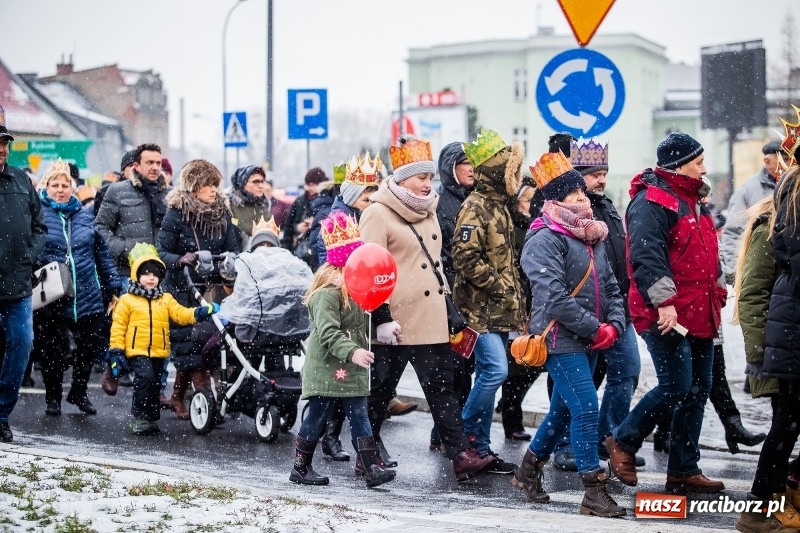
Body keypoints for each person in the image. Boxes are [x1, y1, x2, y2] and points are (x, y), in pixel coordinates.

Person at [360, 135, 495, 482]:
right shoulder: (377, 212)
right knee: (380, 391)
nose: (427, 183)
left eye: (430, 176)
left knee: (442, 388)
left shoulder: (429, 209)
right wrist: (381, 318)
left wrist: (448, 308)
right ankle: (366, 453)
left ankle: (460, 455)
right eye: (421, 177)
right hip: (395, 319)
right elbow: (369, 269)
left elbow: (434, 263)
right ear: (402, 177)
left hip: (431, 315)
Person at [605, 132, 727, 494]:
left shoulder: (694, 200)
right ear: (678, 165)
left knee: (698, 388)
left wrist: (718, 290)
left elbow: (708, 252)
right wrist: (664, 303)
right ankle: (623, 441)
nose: (705, 168)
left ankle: (683, 468)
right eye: (698, 162)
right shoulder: (652, 201)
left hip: (700, 311)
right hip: (666, 313)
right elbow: (646, 257)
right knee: (676, 386)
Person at [511, 151, 626, 518]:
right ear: (555, 201)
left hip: (591, 337)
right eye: (574, 194)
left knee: (563, 410)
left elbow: (611, 286)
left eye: (582, 192)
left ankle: (527, 470)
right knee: (586, 408)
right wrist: (596, 327)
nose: (582, 198)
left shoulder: (592, 234)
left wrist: (616, 325)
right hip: (561, 339)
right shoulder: (543, 238)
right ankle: (593, 491)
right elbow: (554, 298)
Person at [548, 140, 644, 472]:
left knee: (627, 371)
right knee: (574, 388)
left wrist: (619, 312)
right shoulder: (561, 220)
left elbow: (614, 264)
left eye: (604, 173)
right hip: (577, 317)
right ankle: (564, 447)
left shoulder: (607, 208)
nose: (601, 180)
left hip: (615, 310)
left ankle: (611, 438)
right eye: (594, 175)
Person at [290, 211, 395, 489]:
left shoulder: (356, 287)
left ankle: (371, 466)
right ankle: (300, 467)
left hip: (352, 365)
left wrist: (381, 331)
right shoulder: (327, 292)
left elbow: (358, 326)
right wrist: (353, 352)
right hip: (329, 366)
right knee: (318, 414)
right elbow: (329, 333)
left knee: (360, 414)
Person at [736, 129, 800, 533]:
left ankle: (783, 490)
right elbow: (753, 296)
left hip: (788, 340)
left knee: (788, 427)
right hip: (786, 345)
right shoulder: (776, 219)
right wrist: (761, 360)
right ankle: (761, 507)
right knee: (785, 427)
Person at [452, 129, 525, 473]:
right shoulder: (475, 206)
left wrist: (516, 303)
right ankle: (461, 432)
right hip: (477, 312)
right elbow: (464, 257)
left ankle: (479, 449)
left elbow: (509, 260)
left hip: (498, 312)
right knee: (495, 370)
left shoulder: (501, 206)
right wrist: (498, 287)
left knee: (490, 373)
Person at [32, 160, 122, 416]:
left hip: (87, 292)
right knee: (53, 350)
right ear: (46, 187)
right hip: (53, 294)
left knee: (90, 344)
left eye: (65, 185)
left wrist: (112, 284)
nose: (60, 190)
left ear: (72, 188)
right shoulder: (38, 215)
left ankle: (79, 392)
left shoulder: (84, 216)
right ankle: (53, 398)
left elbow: (102, 254)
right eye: (55, 185)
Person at [157, 160, 239, 419]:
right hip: (182, 286)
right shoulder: (176, 213)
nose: (213, 190)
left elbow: (233, 247)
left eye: (214, 184)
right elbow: (163, 251)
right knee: (188, 344)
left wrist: (230, 260)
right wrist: (180, 259)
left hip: (215, 287)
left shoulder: (223, 214)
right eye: (206, 185)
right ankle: (201, 397)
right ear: (193, 188)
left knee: (209, 345)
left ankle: (180, 396)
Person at [107, 243, 218, 435]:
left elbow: (180, 314)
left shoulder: (164, 298)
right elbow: (118, 327)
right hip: (137, 350)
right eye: (146, 274)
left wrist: (199, 312)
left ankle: (150, 417)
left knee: (155, 384)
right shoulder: (127, 300)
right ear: (136, 275)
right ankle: (140, 417)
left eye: (155, 274)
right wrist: (116, 351)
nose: (151, 278)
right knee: (145, 379)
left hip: (159, 350)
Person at [0, 118, 47, 442]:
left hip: (17, 285)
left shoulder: (20, 180)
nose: (1, 149)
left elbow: (40, 227)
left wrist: (28, 256)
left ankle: (2, 414)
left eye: (4, 143)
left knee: (22, 345)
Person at [430, 141, 475, 450]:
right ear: (450, 168)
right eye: (465, 162)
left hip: (472, 296)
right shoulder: (438, 203)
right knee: (451, 370)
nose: (472, 167)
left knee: (467, 368)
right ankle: (447, 434)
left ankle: (452, 433)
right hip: (448, 296)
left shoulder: (476, 200)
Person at [496, 178, 543, 441]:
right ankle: (512, 420)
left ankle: (509, 407)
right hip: (517, 306)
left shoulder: (534, 226)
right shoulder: (512, 229)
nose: (532, 205)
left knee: (532, 365)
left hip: (534, 305)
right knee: (517, 368)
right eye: (528, 200)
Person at [721, 141, 783, 284]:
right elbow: (733, 232)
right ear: (767, 162)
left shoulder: (793, 184)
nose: (789, 163)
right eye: (784, 159)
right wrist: (735, 271)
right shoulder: (747, 191)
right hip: (758, 271)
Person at [280, 167, 328, 265]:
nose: (310, 188)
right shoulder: (299, 202)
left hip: (322, 251)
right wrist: (297, 228)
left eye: (314, 184)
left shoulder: (328, 200)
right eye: (308, 184)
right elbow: (288, 228)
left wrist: (316, 224)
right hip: (300, 252)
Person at [229, 165, 273, 252]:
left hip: (264, 259)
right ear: (242, 183)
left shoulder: (264, 205)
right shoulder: (229, 206)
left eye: (262, 181)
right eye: (255, 182)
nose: (261, 186)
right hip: (239, 259)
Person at [93, 149, 137, 217]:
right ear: (123, 170)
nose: (134, 168)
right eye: (131, 165)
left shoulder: (150, 190)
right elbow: (102, 223)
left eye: (137, 165)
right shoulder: (106, 192)